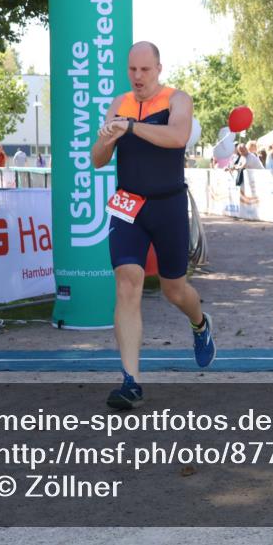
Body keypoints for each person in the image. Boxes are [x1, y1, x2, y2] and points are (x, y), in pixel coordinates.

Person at [91, 41, 214, 410]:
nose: (138, 76)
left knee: (174, 290)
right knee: (127, 282)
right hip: (128, 206)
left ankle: (200, 323)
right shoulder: (119, 103)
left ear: (158, 69)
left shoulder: (178, 100)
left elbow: (177, 137)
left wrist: (130, 127)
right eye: (132, 70)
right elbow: (98, 160)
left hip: (168, 205)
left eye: (145, 69)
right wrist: (107, 138)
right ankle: (131, 382)